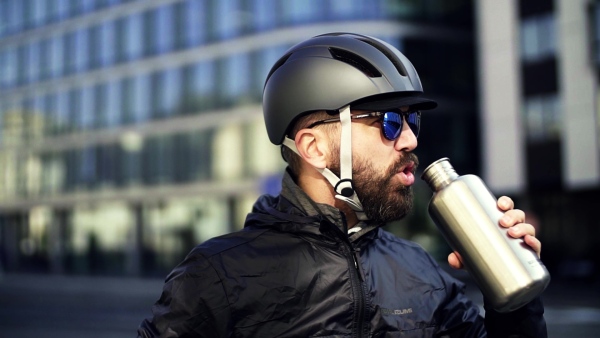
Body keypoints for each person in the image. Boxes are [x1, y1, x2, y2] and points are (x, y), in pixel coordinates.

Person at [137, 32, 547, 337]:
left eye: (411, 120)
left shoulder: (420, 269)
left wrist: (513, 298)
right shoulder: (218, 275)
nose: (410, 140)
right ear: (313, 147)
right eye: (388, 122)